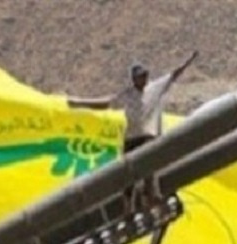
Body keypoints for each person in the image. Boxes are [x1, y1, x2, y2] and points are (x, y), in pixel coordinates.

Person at [67, 51, 198, 207]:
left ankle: (152, 196)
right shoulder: (127, 95)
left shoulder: (154, 88)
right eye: (140, 77)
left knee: (148, 163)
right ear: (134, 79)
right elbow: (107, 104)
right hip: (131, 139)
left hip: (147, 136)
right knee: (128, 172)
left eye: (145, 76)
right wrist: (80, 103)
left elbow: (174, 74)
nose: (143, 79)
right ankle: (128, 205)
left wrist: (188, 61)